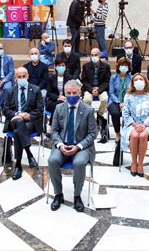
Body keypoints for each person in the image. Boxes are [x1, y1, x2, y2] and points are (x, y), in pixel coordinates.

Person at [48, 80, 96, 212]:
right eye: (68, 93)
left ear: (79, 93)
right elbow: (54, 131)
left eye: (74, 93)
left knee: (80, 163)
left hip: (81, 147)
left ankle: (77, 196)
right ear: (64, 93)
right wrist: (60, 144)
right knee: (52, 160)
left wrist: (78, 146)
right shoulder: (59, 108)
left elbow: (92, 134)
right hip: (63, 145)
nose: (71, 95)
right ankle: (58, 195)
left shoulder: (88, 110)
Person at [2, 67, 42, 180]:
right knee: (18, 123)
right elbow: (5, 109)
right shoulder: (10, 91)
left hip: (30, 121)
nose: (21, 78)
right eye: (19, 77)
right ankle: (29, 155)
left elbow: (40, 109)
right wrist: (17, 114)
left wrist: (29, 115)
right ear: (15, 78)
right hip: (14, 119)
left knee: (17, 132)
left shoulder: (36, 89)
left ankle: (18, 165)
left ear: (28, 76)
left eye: (23, 76)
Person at [121, 73, 149, 177]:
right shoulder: (128, 96)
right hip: (131, 124)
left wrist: (144, 125)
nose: (138, 81)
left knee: (143, 136)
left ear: (145, 81)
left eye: (140, 79)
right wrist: (135, 125)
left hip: (147, 125)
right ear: (132, 83)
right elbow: (125, 113)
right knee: (134, 135)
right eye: (136, 80)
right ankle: (133, 162)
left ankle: (140, 164)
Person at [81, 48, 111, 133]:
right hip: (89, 88)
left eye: (96, 55)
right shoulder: (86, 66)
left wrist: (99, 90)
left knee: (105, 99)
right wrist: (91, 90)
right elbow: (84, 80)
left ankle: (99, 115)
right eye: (92, 55)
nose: (94, 57)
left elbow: (107, 81)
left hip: (101, 88)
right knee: (86, 99)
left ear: (99, 55)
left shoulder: (106, 66)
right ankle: (90, 117)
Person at [108, 58, 132, 150]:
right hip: (114, 101)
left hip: (128, 102)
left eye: (126, 65)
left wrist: (125, 103)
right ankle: (117, 133)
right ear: (118, 66)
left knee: (129, 112)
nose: (124, 67)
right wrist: (119, 102)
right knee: (115, 113)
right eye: (122, 65)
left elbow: (132, 93)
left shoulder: (131, 77)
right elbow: (111, 93)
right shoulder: (113, 77)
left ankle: (127, 133)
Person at [46, 57, 71, 122]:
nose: (61, 67)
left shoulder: (69, 78)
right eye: (59, 65)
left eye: (63, 65)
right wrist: (58, 97)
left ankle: (52, 124)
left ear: (66, 67)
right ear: (55, 67)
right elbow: (48, 93)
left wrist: (65, 97)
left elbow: (72, 91)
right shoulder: (51, 78)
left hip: (66, 100)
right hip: (53, 100)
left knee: (59, 105)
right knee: (57, 105)